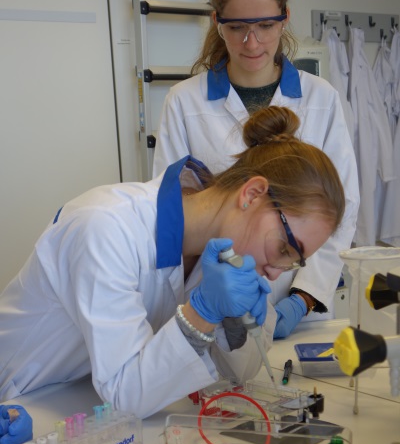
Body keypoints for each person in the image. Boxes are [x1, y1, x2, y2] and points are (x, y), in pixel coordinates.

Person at [0, 107, 344, 419]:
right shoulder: (107, 228)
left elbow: (242, 372)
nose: (275, 272)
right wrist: (203, 313)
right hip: (20, 398)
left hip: (77, 398)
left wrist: (236, 323)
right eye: (284, 248)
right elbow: (126, 393)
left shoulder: (225, 251)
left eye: (293, 262)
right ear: (252, 194)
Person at [152, 0, 360, 339]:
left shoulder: (321, 97)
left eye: (265, 26)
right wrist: (205, 303)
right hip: (216, 306)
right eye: (237, 28)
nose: (252, 43)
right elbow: (173, 210)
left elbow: (342, 207)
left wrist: (304, 297)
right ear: (217, 22)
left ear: (284, 19)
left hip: (298, 306)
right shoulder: (184, 100)